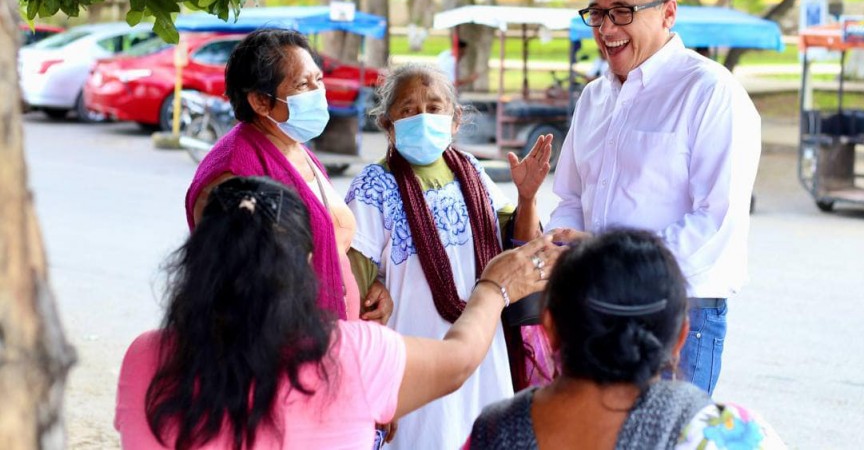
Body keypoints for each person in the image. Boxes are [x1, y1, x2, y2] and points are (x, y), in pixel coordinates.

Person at [116, 176, 564, 449]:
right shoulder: (352, 355)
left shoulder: (144, 358)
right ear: (307, 264)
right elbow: (459, 361)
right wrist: (493, 288)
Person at [548, 0, 761, 396]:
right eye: (597, 13)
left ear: (667, 13)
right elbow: (569, 197)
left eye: (622, 12)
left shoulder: (710, 93)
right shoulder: (593, 98)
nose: (606, 29)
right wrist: (563, 250)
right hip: (592, 307)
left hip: (677, 312)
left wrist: (614, 262)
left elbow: (714, 221)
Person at [345, 63, 554, 450]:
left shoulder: (472, 171)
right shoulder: (374, 185)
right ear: (388, 125)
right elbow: (349, 284)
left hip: (483, 351)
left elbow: (519, 247)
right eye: (408, 110)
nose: (422, 117)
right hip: (412, 363)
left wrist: (527, 198)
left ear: (455, 120)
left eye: (435, 107)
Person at [467, 230, 784, 450]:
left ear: (549, 327)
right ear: (680, 338)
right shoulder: (733, 434)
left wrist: (491, 291)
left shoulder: (493, 433)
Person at [185, 28, 387, 324]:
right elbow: (241, 286)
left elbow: (329, 242)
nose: (318, 93)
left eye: (318, 79)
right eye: (302, 84)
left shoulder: (295, 147)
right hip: (284, 342)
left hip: (332, 329)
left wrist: (368, 284)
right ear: (260, 101)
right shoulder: (233, 174)